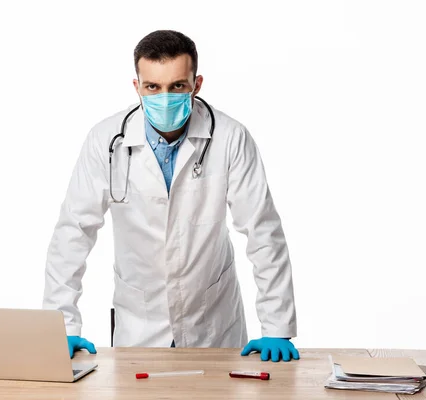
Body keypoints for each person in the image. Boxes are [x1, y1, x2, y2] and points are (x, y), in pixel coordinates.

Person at [43, 30, 299, 363]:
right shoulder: (106, 141)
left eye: (177, 86)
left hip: (214, 325)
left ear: (197, 84)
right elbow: (73, 232)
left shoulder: (230, 138)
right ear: (137, 87)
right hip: (139, 326)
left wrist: (277, 326)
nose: (164, 97)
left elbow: (263, 231)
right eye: (153, 87)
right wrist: (61, 323)